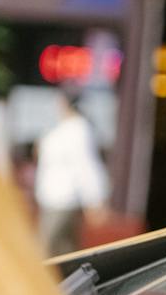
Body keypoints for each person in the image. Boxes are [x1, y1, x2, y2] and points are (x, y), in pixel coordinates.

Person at [34, 88, 111, 255]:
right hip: (55, 200)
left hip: (63, 201)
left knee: (46, 251)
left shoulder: (78, 130)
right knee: (66, 251)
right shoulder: (66, 128)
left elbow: (85, 165)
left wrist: (94, 200)